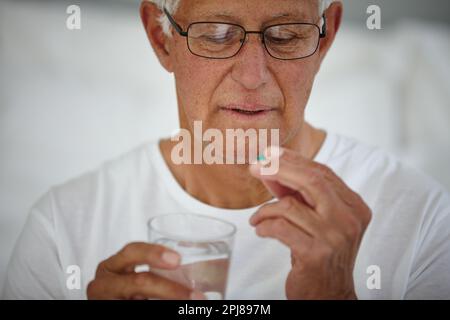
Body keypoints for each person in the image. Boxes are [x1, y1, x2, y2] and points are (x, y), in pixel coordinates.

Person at [3, 0, 450, 300]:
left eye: (286, 34)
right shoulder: (61, 230)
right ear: (162, 39)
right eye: (216, 34)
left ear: (325, 37)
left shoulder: (427, 220)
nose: (253, 75)